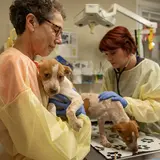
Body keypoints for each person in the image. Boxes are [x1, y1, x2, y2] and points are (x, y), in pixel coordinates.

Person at [0, 0, 91, 160]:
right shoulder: (14, 63)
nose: (59, 40)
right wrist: (83, 125)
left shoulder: (30, 64)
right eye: (56, 30)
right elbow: (43, 141)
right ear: (31, 22)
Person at [98, 26, 160, 159]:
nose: (109, 58)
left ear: (127, 48)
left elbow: (156, 109)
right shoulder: (110, 73)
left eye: (113, 53)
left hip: (151, 135)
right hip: (123, 136)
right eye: (106, 54)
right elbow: (104, 106)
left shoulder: (151, 69)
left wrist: (127, 103)